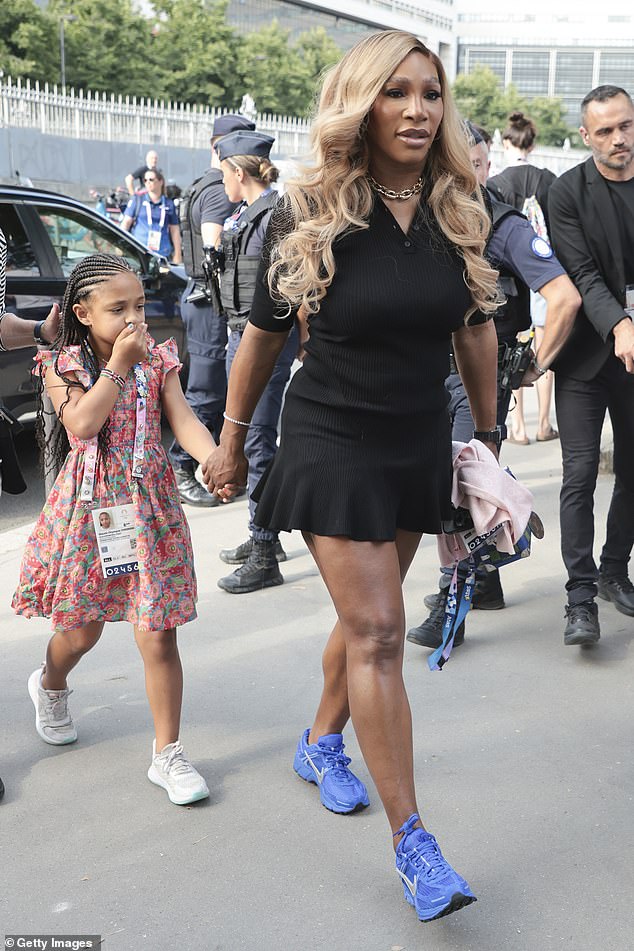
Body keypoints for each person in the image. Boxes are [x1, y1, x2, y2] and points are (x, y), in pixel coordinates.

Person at [204, 30, 502, 922]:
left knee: (359, 614)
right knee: (378, 624)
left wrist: (484, 436)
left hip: (415, 437)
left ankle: (320, 738)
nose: (417, 110)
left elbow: (477, 328)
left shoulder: (460, 208)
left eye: (431, 94)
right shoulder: (310, 207)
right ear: (361, 103)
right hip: (331, 431)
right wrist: (228, 440)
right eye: (396, 93)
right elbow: (260, 332)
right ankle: (416, 845)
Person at [12, 253, 218, 805]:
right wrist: (118, 367)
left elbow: (183, 418)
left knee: (158, 632)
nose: (135, 319)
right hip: (91, 511)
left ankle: (168, 753)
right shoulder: (61, 363)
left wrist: (212, 458)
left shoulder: (158, 359)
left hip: (149, 511)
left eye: (140, 306)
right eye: (117, 308)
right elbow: (82, 424)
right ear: (82, 313)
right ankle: (50, 684)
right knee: (83, 630)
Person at [407, 122, 579, 649]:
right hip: (437, 370)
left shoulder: (500, 224)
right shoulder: (432, 215)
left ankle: (452, 608)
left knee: (461, 486)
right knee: (466, 480)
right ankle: (488, 575)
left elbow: (564, 297)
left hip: (479, 376)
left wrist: (537, 365)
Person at [548, 84, 634, 646]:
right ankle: (580, 597)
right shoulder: (567, 191)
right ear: (586, 135)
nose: (618, 138)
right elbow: (581, 274)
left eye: (625, 125)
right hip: (586, 354)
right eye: (604, 131)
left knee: (632, 473)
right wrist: (621, 324)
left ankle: (612, 570)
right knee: (579, 474)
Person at [215, 130, 298, 593]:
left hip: (261, 341)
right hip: (241, 334)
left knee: (257, 442)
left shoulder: (274, 217)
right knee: (256, 439)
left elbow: (290, 290)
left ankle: (264, 549)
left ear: (239, 172)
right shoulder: (245, 215)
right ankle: (262, 533)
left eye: (224, 172)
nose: (221, 180)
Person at [169, 113, 256, 507]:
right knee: (206, 391)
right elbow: (213, 248)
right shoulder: (220, 190)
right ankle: (182, 468)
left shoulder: (200, 184)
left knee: (211, 388)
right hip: (210, 303)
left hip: (201, 298)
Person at [489, 112, 559, 444]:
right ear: (531, 142)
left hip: (512, 287)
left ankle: (517, 427)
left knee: (514, 351)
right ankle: (544, 423)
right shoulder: (548, 179)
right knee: (543, 350)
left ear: (506, 142)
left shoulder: (498, 183)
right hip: (545, 278)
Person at [121, 169, 182, 264]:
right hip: (139, 252)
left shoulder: (169, 204)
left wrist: (178, 254)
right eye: (145, 180)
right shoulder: (138, 200)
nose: (148, 182)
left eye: (151, 179)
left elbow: (175, 230)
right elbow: (125, 224)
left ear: (160, 181)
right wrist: (121, 245)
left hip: (162, 254)